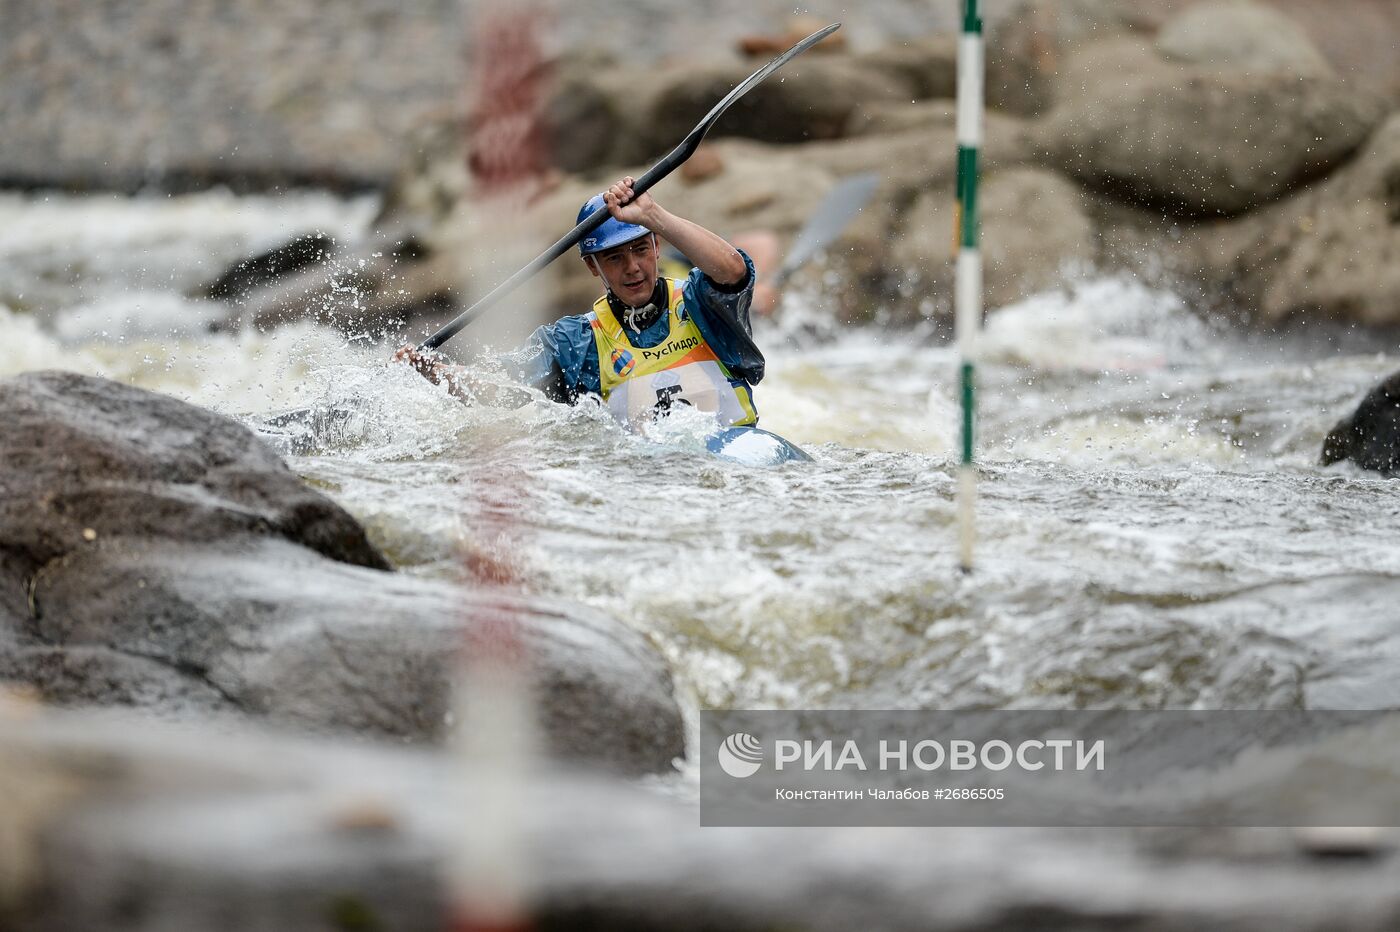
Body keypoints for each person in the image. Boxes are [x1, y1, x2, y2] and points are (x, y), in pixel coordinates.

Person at [395, 176, 766, 431]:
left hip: (734, 471)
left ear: (657, 247)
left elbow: (733, 270)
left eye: (640, 250)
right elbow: (502, 390)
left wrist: (653, 216)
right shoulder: (575, 343)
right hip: (655, 483)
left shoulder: (700, 303)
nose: (633, 268)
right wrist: (433, 371)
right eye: (614, 258)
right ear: (592, 266)